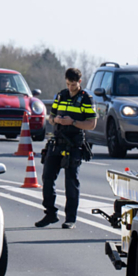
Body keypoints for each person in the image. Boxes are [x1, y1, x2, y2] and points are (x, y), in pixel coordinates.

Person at [36, 68, 96, 229]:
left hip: (74, 144)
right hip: (57, 142)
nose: (70, 87)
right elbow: (50, 117)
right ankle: (50, 213)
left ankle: (70, 219)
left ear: (79, 82)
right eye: (68, 84)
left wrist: (73, 122)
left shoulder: (86, 98)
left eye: (73, 84)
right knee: (47, 178)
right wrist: (55, 119)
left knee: (71, 182)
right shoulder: (61, 95)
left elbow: (91, 123)